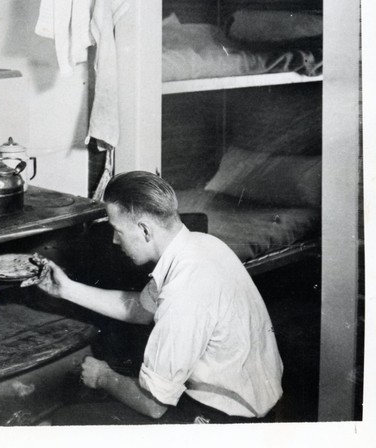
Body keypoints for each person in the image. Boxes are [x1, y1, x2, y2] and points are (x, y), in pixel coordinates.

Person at [35, 171, 283, 425]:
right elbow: (139, 308)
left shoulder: (184, 290)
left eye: (117, 230)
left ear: (144, 229)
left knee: (63, 421)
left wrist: (102, 377)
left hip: (229, 420)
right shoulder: (201, 245)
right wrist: (67, 289)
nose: (114, 240)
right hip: (253, 397)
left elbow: (154, 405)